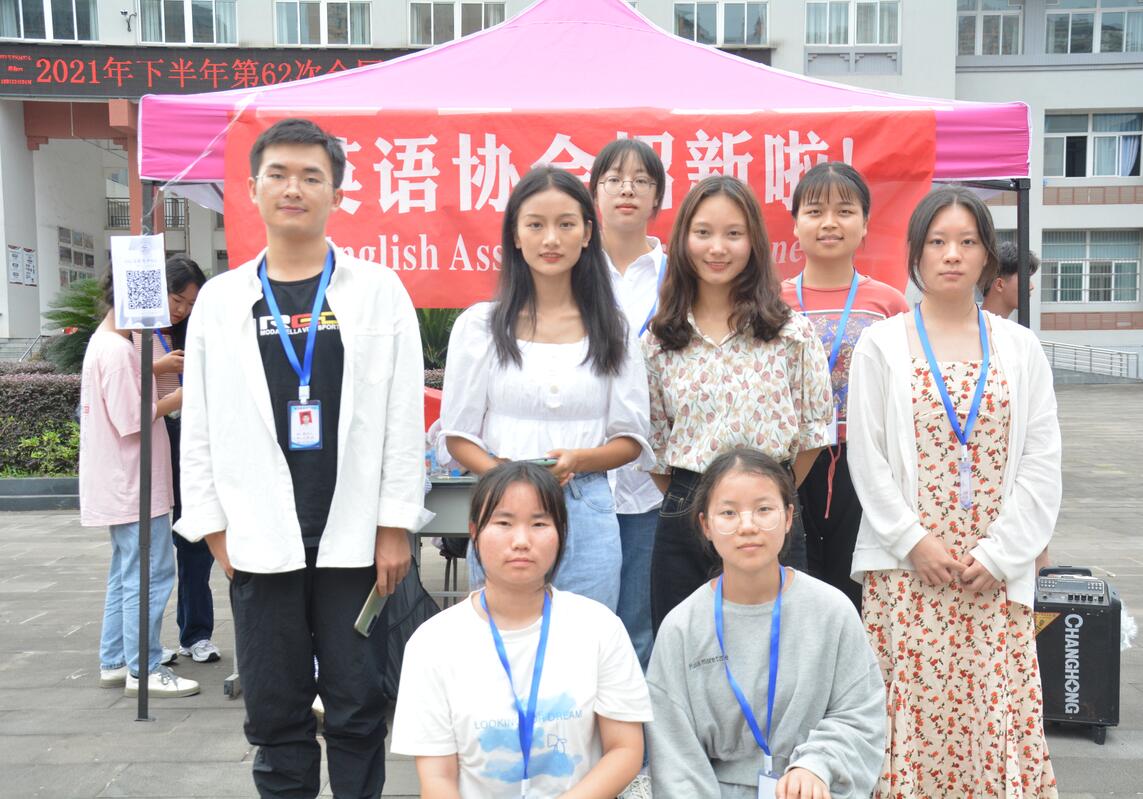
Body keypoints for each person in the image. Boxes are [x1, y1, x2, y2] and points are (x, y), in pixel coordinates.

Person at [176, 118, 430, 799]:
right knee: (274, 707)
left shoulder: (378, 291)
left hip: (355, 539)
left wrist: (395, 524)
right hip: (259, 538)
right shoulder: (221, 301)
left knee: (357, 702)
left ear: (337, 194)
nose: (294, 188)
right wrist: (214, 529)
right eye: (279, 174)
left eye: (311, 176)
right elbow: (199, 425)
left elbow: (403, 418)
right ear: (252, 188)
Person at [847, 186, 1061, 797]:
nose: (952, 254)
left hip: (991, 573)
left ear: (987, 255)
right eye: (937, 241)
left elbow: (1042, 460)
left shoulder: (1019, 347)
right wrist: (913, 541)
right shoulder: (881, 344)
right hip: (909, 570)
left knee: (991, 714)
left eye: (967, 242)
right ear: (915, 252)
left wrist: (1002, 553)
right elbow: (867, 457)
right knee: (910, 717)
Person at [439, 165, 652, 613]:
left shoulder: (613, 328)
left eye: (566, 224)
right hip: (502, 507)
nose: (551, 239)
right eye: (535, 225)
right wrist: (504, 474)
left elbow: (631, 438)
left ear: (587, 233)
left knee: (586, 638)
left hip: (587, 507)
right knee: (503, 636)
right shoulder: (479, 326)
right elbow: (457, 435)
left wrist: (579, 460)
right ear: (516, 235)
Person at [392, 462, 651, 798]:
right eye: (503, 523)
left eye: (539, 523)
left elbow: (625, 749)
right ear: (474, 532)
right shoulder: (433, 643)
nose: (521, 541)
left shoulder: (600, 628)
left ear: (561, 532)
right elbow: (437, 778)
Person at [643, 174, 833, 634]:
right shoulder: (660, 341)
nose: (717, 248)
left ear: (753, 242)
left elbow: (813, 433)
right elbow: (655, 444)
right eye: (703, 232)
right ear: (683, 239)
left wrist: (767, 496)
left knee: (780, 646)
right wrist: (705, 504)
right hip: (688, 513)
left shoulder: (790, 333)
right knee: (688, 647)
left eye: (733, 233)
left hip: (771, 511)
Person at [646, 448, 885, 799]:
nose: (747, 526)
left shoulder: (832, 611)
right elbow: (673, 753)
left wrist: (816, 765)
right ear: (706, 525)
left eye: (763, 509)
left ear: (789, 517)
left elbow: (861, 715)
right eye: (728, 513)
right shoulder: (682, 627)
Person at [779, 162, 908, 610]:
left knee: (856, 584)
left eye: (845, 211)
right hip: (792, 461)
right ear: (795, 224)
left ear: (865, 224)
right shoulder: (770, 301)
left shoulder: (888, 304)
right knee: (795, 582)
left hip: (864, 462)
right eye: (815, 211)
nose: (829, 223)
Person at [82, 271, 199, 699]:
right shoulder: (117, 350)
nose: (170, 312)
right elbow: (132, 419)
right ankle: (144, 668)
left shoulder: (110, 342)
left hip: (124, 480)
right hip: (132, 481)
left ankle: (116, 660)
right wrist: (180, 397)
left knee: (127, 572)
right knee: (149, 574)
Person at [590, 138, 667, 670]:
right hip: (584, 473)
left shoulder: (679, 271)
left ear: (657, 197)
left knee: (640, 625)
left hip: (652, 479)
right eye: (614, 179)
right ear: (594, 192)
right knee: (583, 621)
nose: (627, 189)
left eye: (641, 180)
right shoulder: (573, 267)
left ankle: (632, 726)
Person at [135, 255, 218, 663]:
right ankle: (144, 647)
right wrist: (158, 367)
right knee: (148, 549)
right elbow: (120, 384)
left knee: (195, 539)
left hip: (188, 437)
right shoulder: (135, 330)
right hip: (153, 439)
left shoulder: (193, 331)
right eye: (176, 299)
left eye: (190, 303)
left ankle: (196, 634)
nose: (182, 309)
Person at [982, 240, 1040, 319]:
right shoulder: (971, 325)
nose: (1031, 286)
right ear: (999, 285)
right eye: (1025, 279)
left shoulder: (1007, 327)